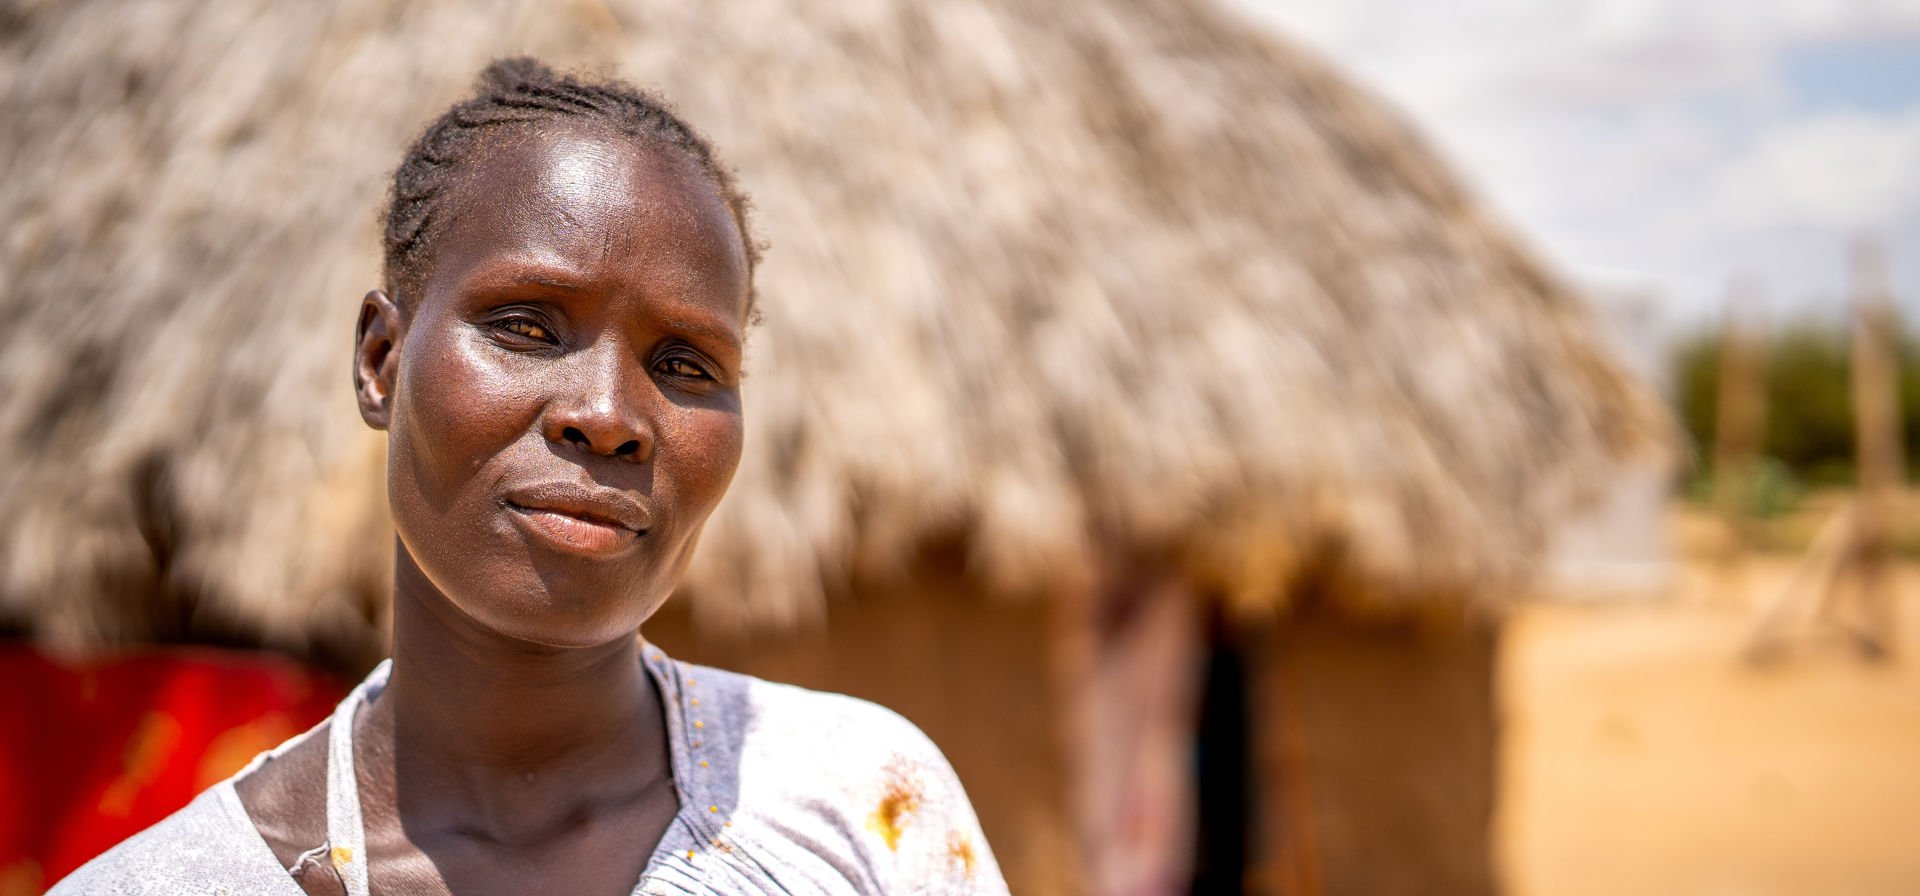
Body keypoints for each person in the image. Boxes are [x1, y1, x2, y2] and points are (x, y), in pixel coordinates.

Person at [51, 58, 1007, 896]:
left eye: (684, 365)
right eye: (527, 327)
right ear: (382, 361)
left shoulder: (862, 803)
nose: (608, 415)